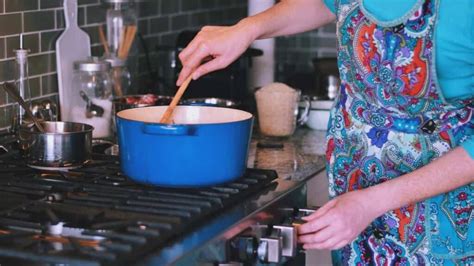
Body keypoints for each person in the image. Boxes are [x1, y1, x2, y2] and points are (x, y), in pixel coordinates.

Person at [176, 0, 474, 264]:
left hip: (437, 219)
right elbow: (325, 3)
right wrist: (248, 29)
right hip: (352, 201)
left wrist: (370, 203)